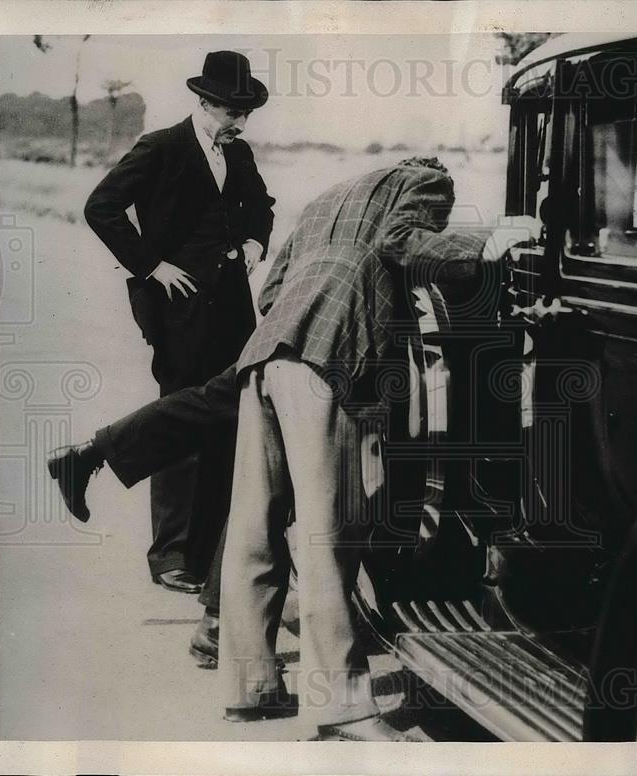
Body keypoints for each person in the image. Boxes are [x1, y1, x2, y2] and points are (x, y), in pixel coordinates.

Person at [217, 157, 539, 740]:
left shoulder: (327, 198)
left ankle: (250, 686)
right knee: (327, 535)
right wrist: (492, 240)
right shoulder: (426, 181)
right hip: (325, 360)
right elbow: (403, 242)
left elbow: (273, 287)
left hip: (264, 357)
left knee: (253, 524)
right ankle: (342, 709)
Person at [83, 50, 275, 593]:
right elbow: (101, 206)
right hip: (178, 310)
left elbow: (262, 205)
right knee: (178, 419)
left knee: (225, 423)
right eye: (232, 110)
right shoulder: (161, 147)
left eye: (247, 112)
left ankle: (209, 553)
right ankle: (169, 556)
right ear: (205, 101)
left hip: (232, 311)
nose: (240, 121)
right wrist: (152, 265)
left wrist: (256, 241)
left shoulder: (237, 154)